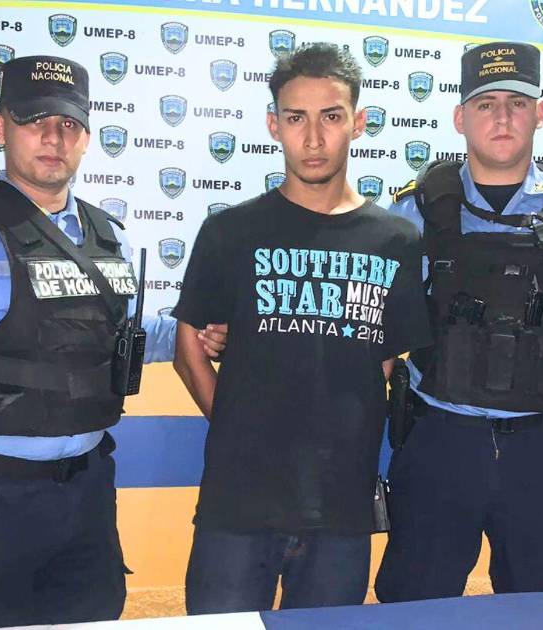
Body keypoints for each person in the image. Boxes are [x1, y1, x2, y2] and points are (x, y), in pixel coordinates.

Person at [0, 55, 227, 629]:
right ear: (0, 128)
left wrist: (200, 333)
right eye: (33, 120)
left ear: (85, 138)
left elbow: (132, 334)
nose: (52, 137)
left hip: (87, 492)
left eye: (68, 124)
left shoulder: (108, 235)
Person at [374, 41, 543, 601]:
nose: (502, 118)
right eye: (486, 103)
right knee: (413, 609)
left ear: (540, 113)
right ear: (460, 117)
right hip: (438, 443)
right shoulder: (418, 210)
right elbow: (373, 328)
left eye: (517, 103)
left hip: (540, 450)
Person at [171, 43, 432, 614]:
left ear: (358, 123)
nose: (313, 138)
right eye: (296, 118)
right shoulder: (230, 232)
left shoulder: (396, 241)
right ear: (274, 126)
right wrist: (238, 425)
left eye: (331, 117)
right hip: (237, 505)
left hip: (341, 510)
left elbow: (382, 361)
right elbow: (188, 347)